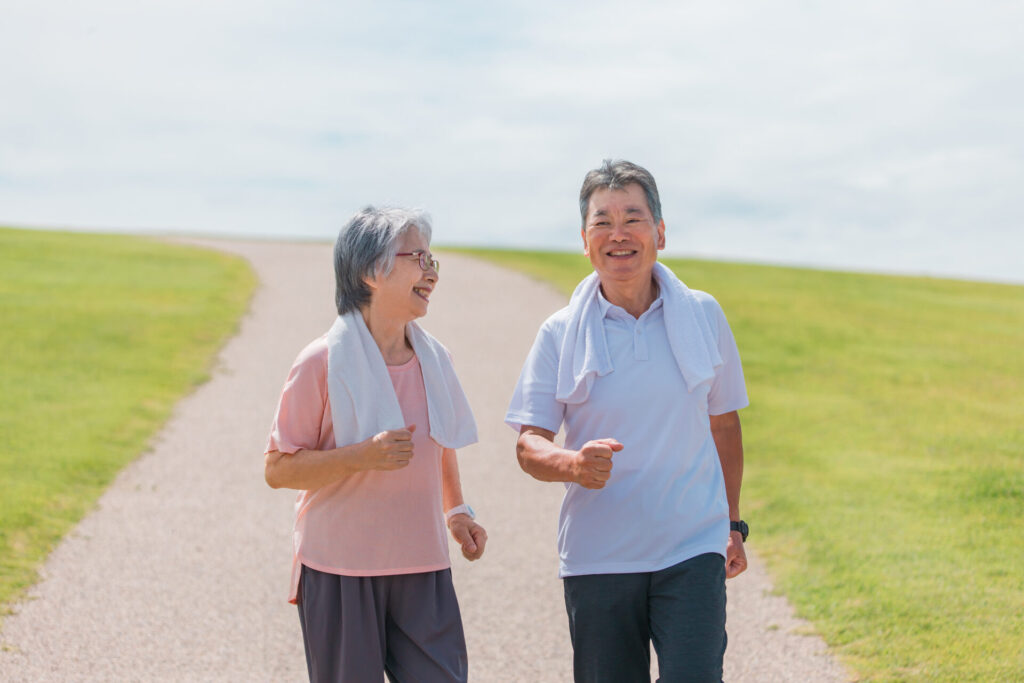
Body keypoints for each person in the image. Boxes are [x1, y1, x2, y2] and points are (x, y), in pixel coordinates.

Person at [506, 160, 749, 682]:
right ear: (584, 238)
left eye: (633, 218)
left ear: (660, 231)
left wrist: (731, 524)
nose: (619, 234)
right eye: (603, 221)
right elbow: (529, 444)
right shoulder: (559, 332)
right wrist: (572, 464)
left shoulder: (703, 315)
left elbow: (724, 425)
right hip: (599, 556)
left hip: (691, 546)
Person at [264, 206, 487, 683]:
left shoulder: (436, 359)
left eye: (433, 259)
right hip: (339, 569)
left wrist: (457, 512)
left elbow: (441, 441)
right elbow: (278, 469)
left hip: (422, 566)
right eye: (417, 258)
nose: (431, 271)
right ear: (370, 273)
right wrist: (360, 457)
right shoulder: (319, 361)